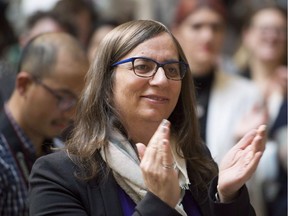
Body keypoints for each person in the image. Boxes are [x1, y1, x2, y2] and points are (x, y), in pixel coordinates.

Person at [29, 19, 266, 216]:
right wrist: (159, 202)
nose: (162, 80)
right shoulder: (57, 175)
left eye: (172, 69)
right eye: (142, 66)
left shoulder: (197, 160)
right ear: (106, 80)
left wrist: (227, 196)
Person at [170, 0, 268, 215]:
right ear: (176, 31)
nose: (208, 36)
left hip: (225, 204)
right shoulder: (163, 88)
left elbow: (259, 177)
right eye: (197, 26)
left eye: (216, 27)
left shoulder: (247, 93)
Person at [0, 32, 89, 215]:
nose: (72, 114)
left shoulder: (60, 147)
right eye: (63, 98)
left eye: (78, 102)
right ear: (24, 84)